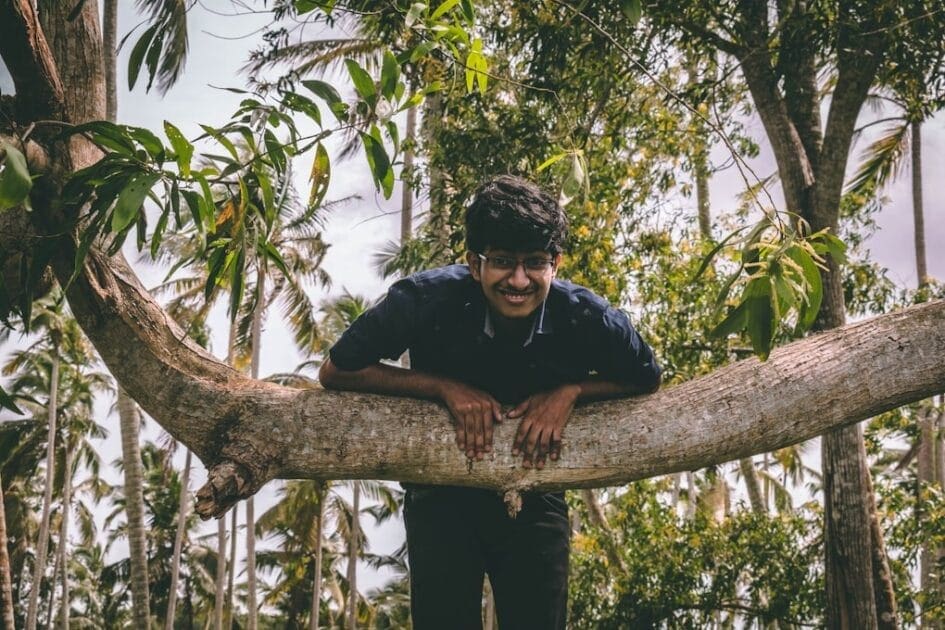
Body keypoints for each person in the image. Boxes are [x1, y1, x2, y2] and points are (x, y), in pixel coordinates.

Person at [319, 175, 661, 629]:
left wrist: (572, 392)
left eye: (535, 263)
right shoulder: (424, 298)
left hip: (535, 494)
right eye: (502, 261)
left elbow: (647, 377)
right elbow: (336, 370)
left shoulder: (587, 315)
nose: (518, 280)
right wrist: (443, 388)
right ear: (474, 263)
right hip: (439, 492)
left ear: (555, 264)